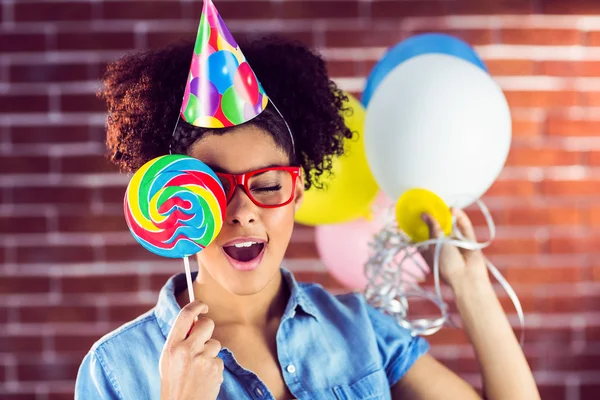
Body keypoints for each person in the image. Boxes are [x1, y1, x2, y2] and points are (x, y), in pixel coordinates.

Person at [75, 33, 540, 400]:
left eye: (269, 185)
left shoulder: (362, 329)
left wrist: (471, 283)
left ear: (297, 191)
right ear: (177, 195)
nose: (242, 212)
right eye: (212, 189)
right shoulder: (116, 370)